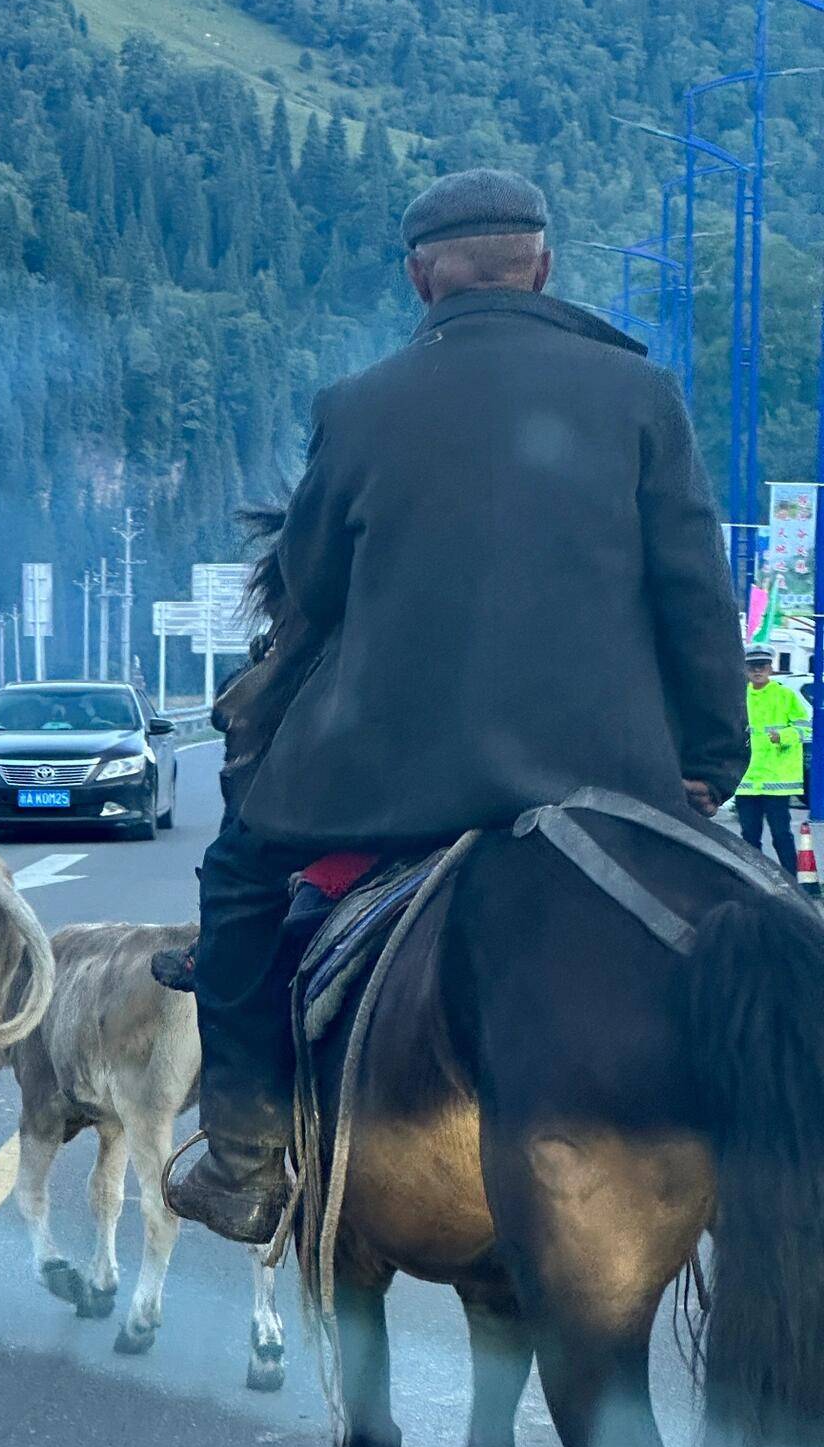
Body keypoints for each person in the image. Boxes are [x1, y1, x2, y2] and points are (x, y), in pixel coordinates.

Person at [167, 166, 749, 1244]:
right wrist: (711, 760)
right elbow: (696, 599)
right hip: (607, 778)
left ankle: (243, 1156)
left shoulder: (357, 407)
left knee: (240, 878)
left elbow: (311, 589)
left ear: (420, 280)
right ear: (544, 267)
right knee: (758, 914)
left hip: (393, 781)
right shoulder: (640, 395)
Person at [736, 645, 811, 877]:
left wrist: (784, 737)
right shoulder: (739, 698)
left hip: (777, 781)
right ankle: (755, 880)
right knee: (749, 836)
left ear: (770, 668)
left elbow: (806, 729)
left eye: (762, 666)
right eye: (752, 666)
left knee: (781, 834)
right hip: (746, 782)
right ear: (746, 669)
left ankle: (791, 881)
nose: (757, 671)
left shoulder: (785, 696)